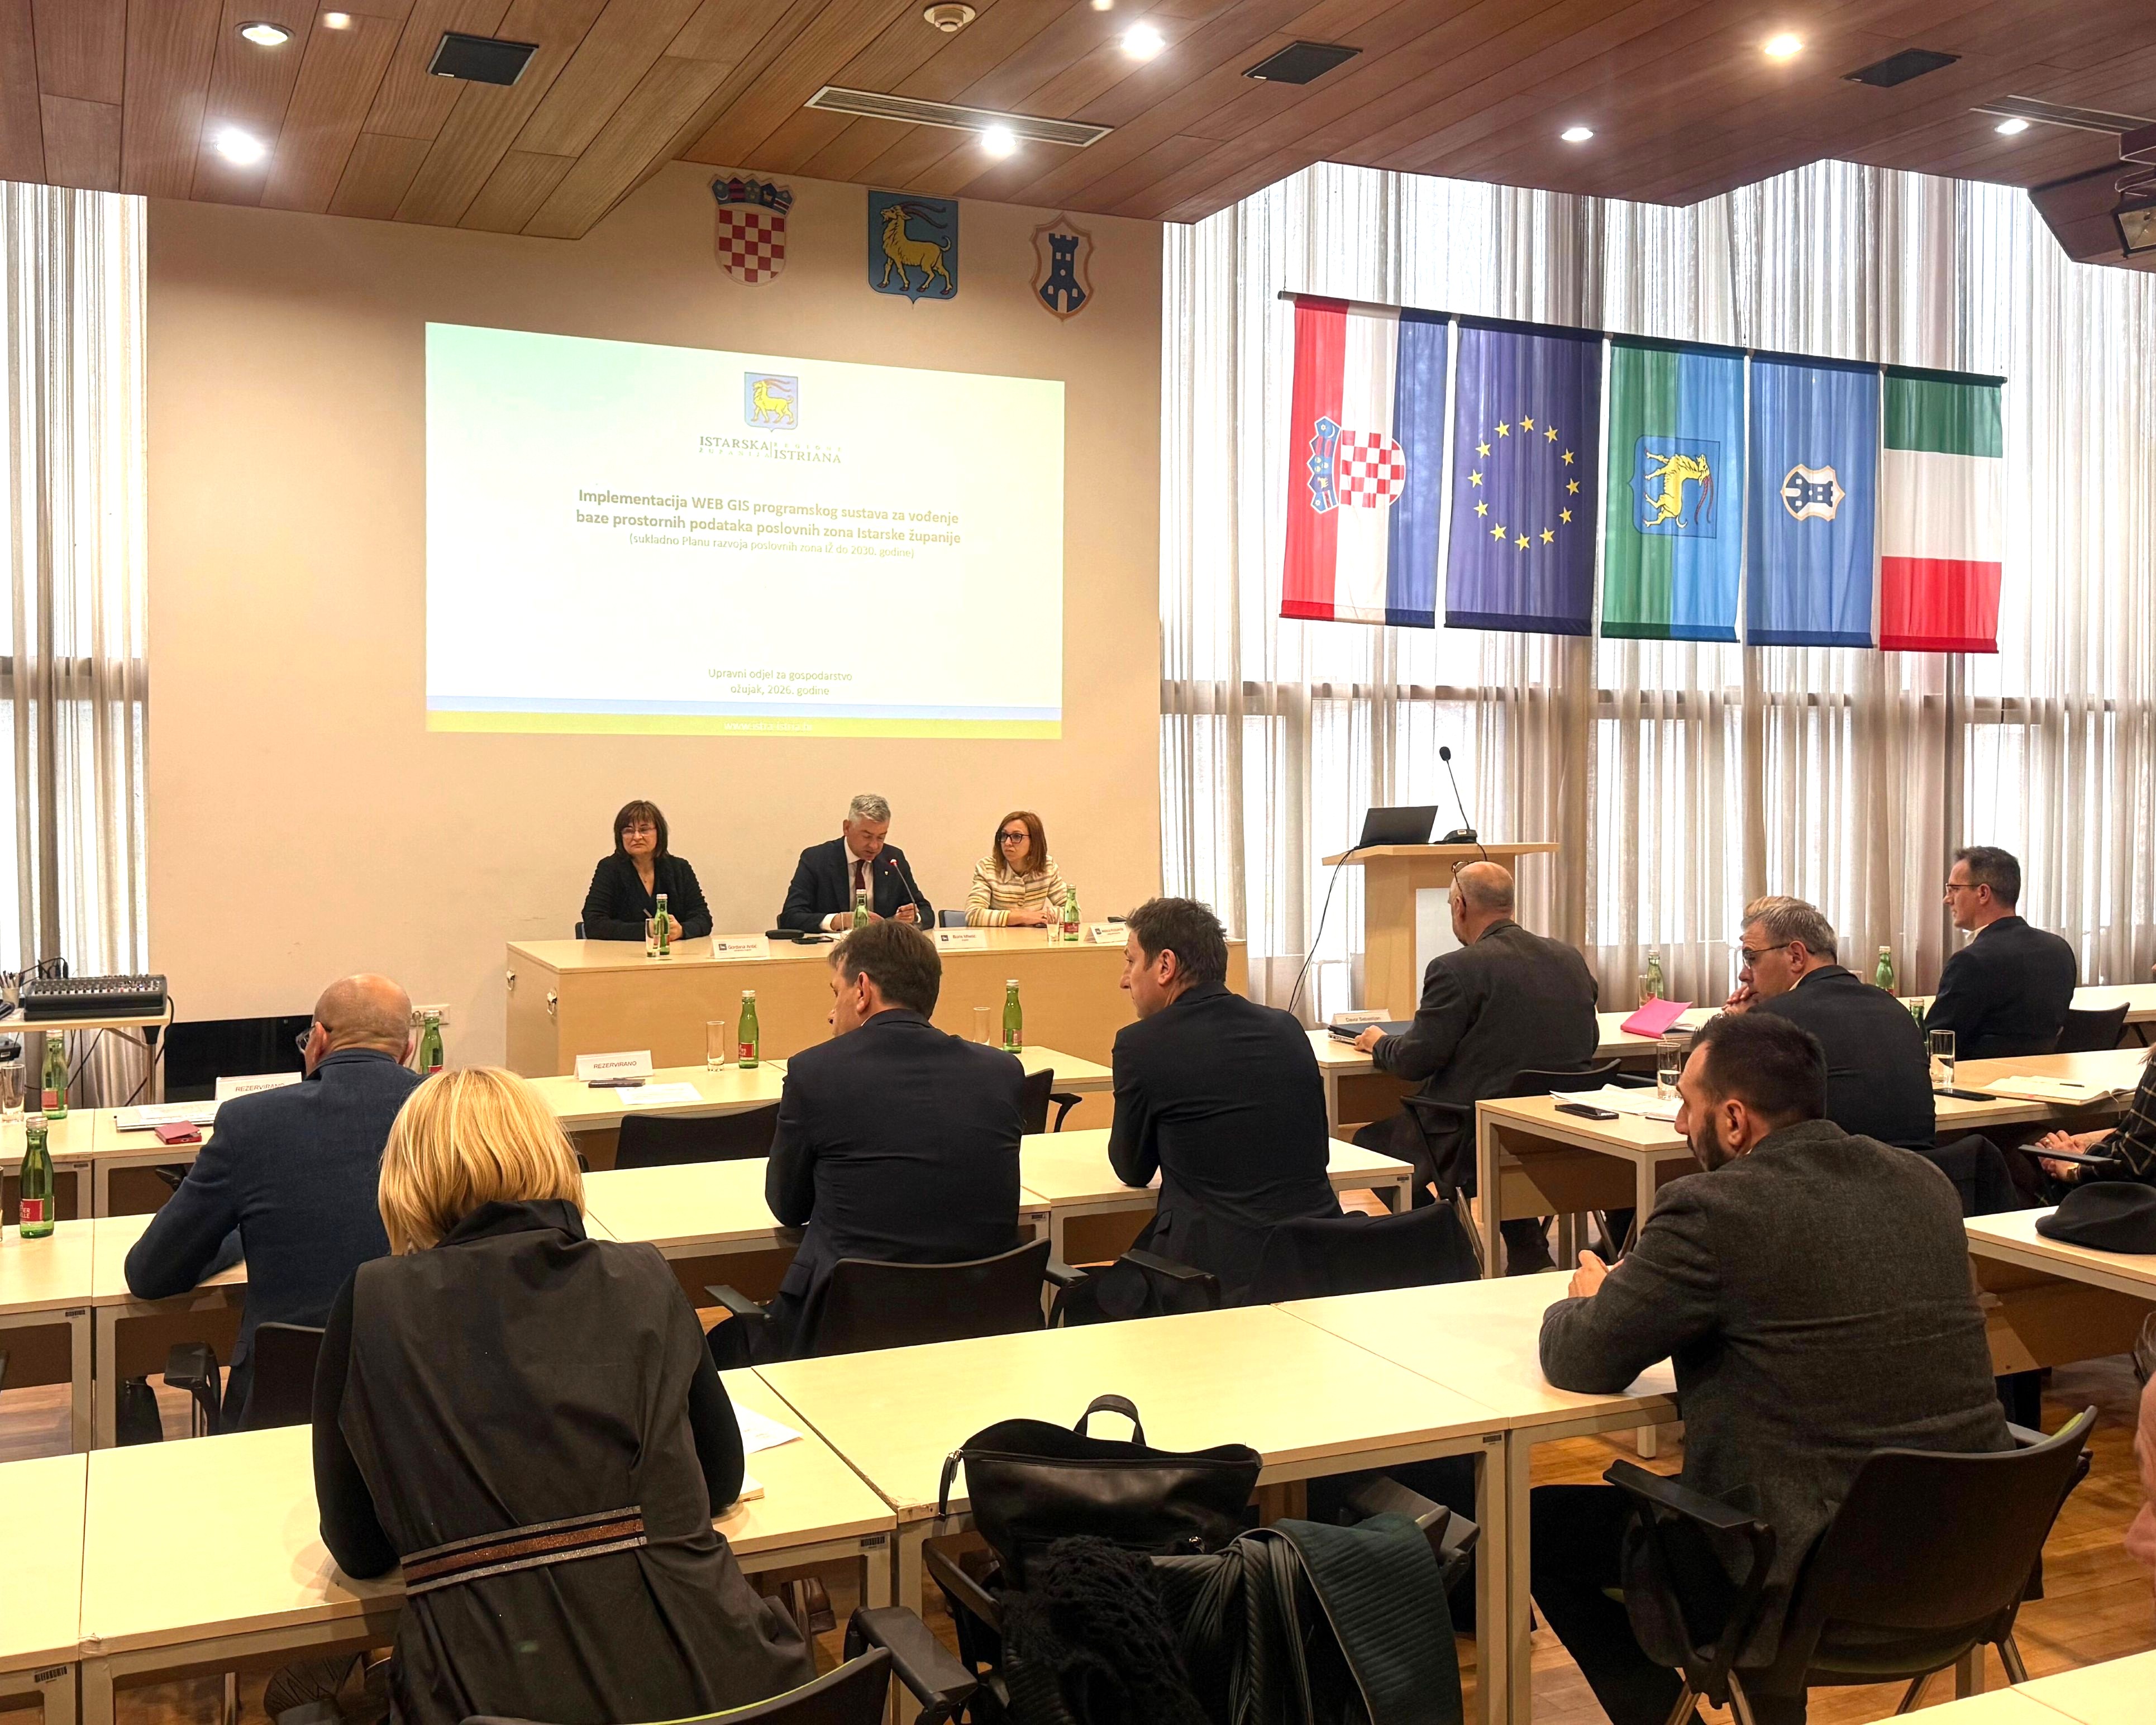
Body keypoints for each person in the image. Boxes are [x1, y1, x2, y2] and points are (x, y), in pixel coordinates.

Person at [1533, 1013, 2009, 1725]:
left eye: (1686, 1105)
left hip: (1802, 1585)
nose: (1677, 1124)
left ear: (1732, 1120)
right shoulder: (1926, 1184)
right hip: (1968, 1558)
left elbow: (1582, 1356)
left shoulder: (1712, 1210)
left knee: (1540, 1527)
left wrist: (1588, 1298)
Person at [313, 1068, 811, 1725]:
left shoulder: (374, 1302)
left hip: (486, 1690)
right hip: (721, 1683)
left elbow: (359, 1548)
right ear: (552, 1155)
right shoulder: (642, 1275)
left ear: (407, 1181)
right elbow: (719, 1481)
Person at [125, 974, 421, 1426]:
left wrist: (242, 1234)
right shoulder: (455, 1116)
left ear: (317, 1041)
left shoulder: (251, 1122)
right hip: (422, 1399)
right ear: (408, 1051)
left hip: (286, 1404)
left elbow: (151, 1272)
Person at [748, 918, 1025, 1360]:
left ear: (862, 990)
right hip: (980, 1330)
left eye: (835, 992)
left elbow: (788, 1206)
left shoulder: (814, 1073)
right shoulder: (1002, 1073)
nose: (831, 1012)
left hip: (845, 1336)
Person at [1350, 861, 1597, 1270]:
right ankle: (1528, 1250)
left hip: (1472, 1138)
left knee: (1368, 1145)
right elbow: (1589, 1043)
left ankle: (1450, 1247)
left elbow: (1415, 1061)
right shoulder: (1569, 958)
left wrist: (1380, 1043)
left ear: (1460, 906)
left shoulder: (1455, 969)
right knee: (1500, 1108)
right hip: (1560, 1131)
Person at [1108, 897, 1339, 1301]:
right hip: (1317, 1263)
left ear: (1165, 966)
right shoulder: (1287, 1028)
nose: (1124, 980)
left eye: (1131, 962)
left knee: (1094, 1303)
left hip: (1208, 1279)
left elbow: (1132, 1168)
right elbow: (1318, 1152)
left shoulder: (1140, 1045)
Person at [1721, 894, 1934, 1148]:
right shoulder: (1892, 1006)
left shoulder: (1774, 1021)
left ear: (1796, 956)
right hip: (1921, 1168)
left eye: (1751, 958)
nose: (1743, 974)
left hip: (1836, 1170)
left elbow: (1727, 1113)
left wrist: (1737, 1028)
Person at [1924, 845, 2078, 1059]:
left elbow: (1935, 1041)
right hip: (2043, 1075)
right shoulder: (2060, 950)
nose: (1947, 899)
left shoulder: (1971, 961)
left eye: (1954, 889)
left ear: (1983, 893)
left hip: (1976, 1077)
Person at [778, 793, 932, 932]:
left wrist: (913, 917)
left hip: (883, 951)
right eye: (867, 836)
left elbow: (926, 912)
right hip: (833, 950)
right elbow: (790, 917)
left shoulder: (893, 860)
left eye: (881, 837)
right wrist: (839, 920)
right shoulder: (816, 859)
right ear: (847, 828)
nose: (874, 846)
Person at [580, 799, 713, 943]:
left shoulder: (680, 868)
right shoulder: (609, 868)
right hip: (622, 954)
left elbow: (704, 918)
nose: (637, 837)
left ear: (659, 833)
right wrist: (647, 930)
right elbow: (594, 924)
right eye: (629, 831)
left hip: (674, 953)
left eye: (644, 830)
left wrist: (681, 930)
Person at [2036, 1046, 2156, 1184]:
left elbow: (2132, 1167)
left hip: (2127, 1190)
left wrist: (2074, 1168)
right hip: (2122, 1168)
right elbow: (2142, 1133)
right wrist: (2086, 1145)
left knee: (2023, 1141)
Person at [966, 809, 1075, 927]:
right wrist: (1023, 917)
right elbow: (973, 915)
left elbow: (1074, 912)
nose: (1007, 843)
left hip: (1034, 938)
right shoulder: (987, 868)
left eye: (1017, 836)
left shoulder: (1046, 867)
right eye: (1004, 836)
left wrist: (1042, 916)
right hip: (999, 938)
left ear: (1034, 842)